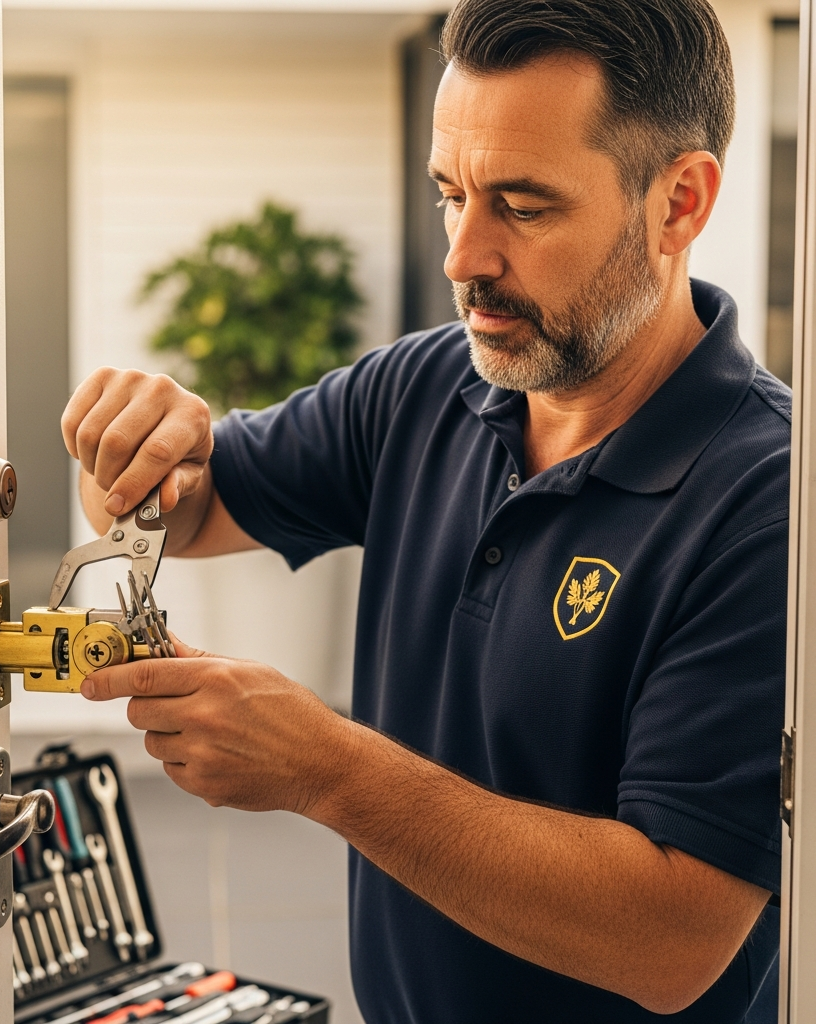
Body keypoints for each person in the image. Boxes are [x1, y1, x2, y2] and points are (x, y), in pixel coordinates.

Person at [60, 1, 787, 1020]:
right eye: (450, 195)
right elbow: (195, 505)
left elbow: (669, 938)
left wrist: (326, 766)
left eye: (522, 206)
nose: (462, 255)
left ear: (679, 203)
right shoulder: (424, 386)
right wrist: (137, 453)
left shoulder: (771, 500)